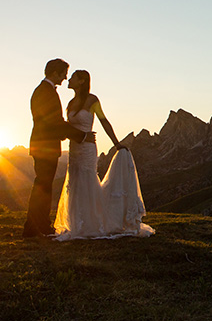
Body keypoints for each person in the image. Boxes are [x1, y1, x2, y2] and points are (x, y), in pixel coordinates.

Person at [53, 69, 155, 240]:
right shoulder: (70, 103)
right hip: (75, 148)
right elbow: (68, 127)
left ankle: (93, 222)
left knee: (87, 178)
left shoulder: (92, 100)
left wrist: (116, 143)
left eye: (73, 77)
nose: (69, 79)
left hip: (87, 149)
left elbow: (104, 121)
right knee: (75, 180)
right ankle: (78, 222)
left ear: (82, 81)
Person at [23, 58, 94, 238]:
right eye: (63, 74)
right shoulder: (45, 92)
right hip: (45, 146)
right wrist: (82, 136)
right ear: (55, 73)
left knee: (42, 185)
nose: (65, 78)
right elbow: (54, 122)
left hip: (43, 145)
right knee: (43, 186)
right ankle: (40, 227)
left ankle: (32, 228)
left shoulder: (43, 91)